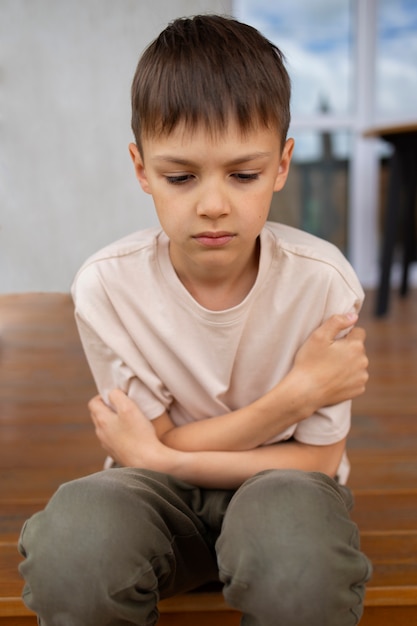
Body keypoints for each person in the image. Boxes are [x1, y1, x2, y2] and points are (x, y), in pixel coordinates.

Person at [18, 14, 372, 626]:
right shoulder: (105, 285)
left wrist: (163, 456)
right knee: (75, 544)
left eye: (244, 174)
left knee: (298, 558)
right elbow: (146, 452)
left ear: (283, 164)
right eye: (180, 177)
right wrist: (296, 396)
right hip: (154, 502)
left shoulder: (323, 281)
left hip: (285, 491)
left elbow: (314, 463)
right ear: (140, 168)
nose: (213, 205)